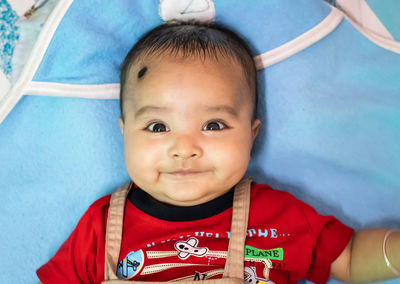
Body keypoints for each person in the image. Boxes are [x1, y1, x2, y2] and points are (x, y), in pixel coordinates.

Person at [37, 22, 400, 284]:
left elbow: (349, 260)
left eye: (213, 125)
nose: (185, 149)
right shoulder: (102, 227)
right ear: (124, 134)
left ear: (252, 134)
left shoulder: (279, 216)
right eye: (158, 127)